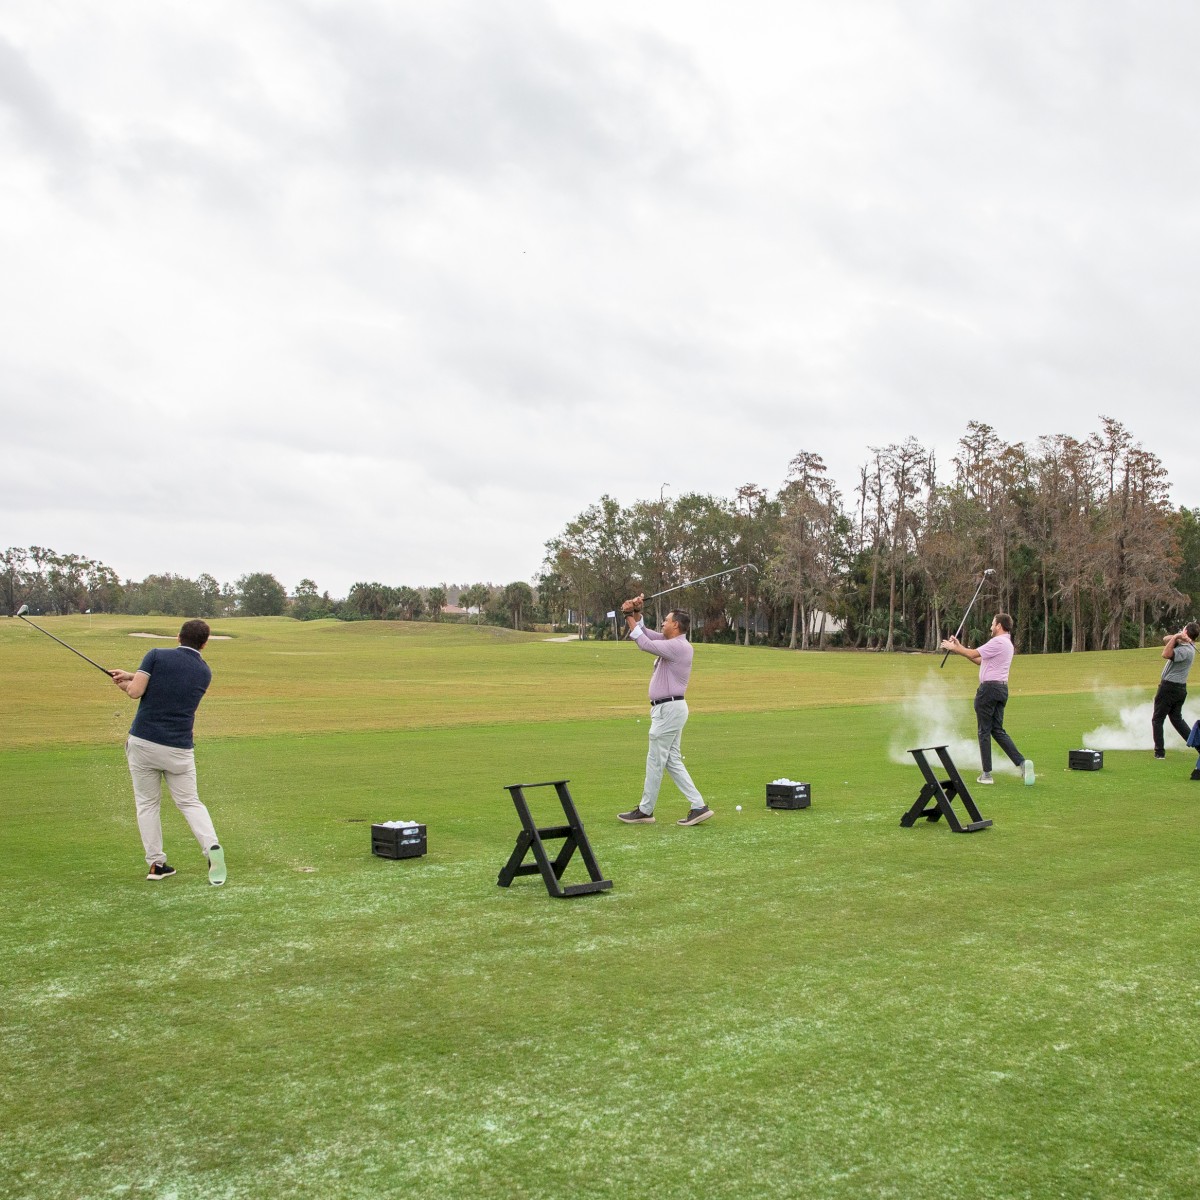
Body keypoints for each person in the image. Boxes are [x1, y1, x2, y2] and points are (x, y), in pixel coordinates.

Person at [110, 618, 226, 884]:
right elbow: (168, 686)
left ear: (178, 637)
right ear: (204, 644)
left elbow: (136, 692)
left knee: (148, 804)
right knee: (190, 802)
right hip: (179, 749)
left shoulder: (155, 655)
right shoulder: (204, 672)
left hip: (144, 743)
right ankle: (211, 848)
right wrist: (132, 674)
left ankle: (156, 864)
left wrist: (126, 683)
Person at [616, 594, 714, 826]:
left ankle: (645, 810)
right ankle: (698, 806)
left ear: (676, 625)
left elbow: (643, 643)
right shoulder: (671, 642)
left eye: (667, 620)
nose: (663, 623)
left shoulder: (679, 647)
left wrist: (629, 614)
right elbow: (645, 632)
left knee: (655, 760)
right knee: (671, 760)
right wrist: (637, 613)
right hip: (668, 709)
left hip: (669, 709)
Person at [941, 612, 1034, 786]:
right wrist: (959, 648)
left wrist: (953, 647)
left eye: (992, 624)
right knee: (997, 730)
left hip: (988, 690)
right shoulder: (1007, 643)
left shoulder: (997, 642)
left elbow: (974, 652)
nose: (990, 627)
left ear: (999, 625)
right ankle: (1021, 763)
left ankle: (986, 774)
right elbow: (977, 659)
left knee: (984, 731)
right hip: (1001, 690)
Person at [1152, 622, 1198, 758]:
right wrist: (1178, 637)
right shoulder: (1184, 644)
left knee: (1157, 719)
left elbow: (1165, 654)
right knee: (1176, 719)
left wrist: (1178, 637)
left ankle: (1159, 753)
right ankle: (1198, 745)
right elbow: (1166, 640)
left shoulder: (1186, 650)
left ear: (1185, 631)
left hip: (1170, 688)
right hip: (1178, 689)